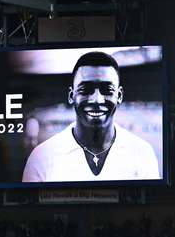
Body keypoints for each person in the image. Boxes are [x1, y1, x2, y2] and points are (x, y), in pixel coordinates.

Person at [22, 51, 160, 183]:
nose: (97, 100)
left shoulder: (143, 153)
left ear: (119, 96)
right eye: (85, 90)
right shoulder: (41, 156)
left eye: (107, 90)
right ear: (71, 96)